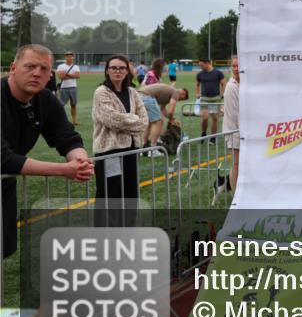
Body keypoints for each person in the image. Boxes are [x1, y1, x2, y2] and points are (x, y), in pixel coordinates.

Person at [2, 44, 93, 260]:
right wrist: (64, 170)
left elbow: (67, 138)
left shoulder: (45, 100)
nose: (37, 73)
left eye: (44, 69)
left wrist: (80, 162)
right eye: (30, 66)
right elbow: (3, 159)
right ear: (13, 68)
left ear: (50, 75)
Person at [92, 55, 148, 227]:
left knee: (130, 194)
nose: (118, 71)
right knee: (110, 195)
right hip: (110, 152)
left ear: (127, 71)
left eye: (122, 68)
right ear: (107, 71)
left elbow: (144, 121)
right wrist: (134, 119)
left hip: (131, 150)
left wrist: (128, 121)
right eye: (113, 68)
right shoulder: (101, 92)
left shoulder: (132, 92)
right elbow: (112, 120)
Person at [216, 55, 240, 203]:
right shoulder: (231, 86)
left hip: (243, 130)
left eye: (238, 66)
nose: (236, 69)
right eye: (234, 66)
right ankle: (236, 198)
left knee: (241, 164)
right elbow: (235, 114)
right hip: (234, 130)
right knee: (236, 164)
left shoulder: (244, 84)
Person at [139, 82, 189, 147]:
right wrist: (171, 120)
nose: (178, 100)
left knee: (150, 122)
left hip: (139, 95)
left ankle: (145, 145)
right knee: (159, 121)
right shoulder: (176, 92)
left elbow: (162, 109)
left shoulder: (168, 94)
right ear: (183, 93)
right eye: (181, 99)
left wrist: (172, 119)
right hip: (146, 96)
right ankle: (153, 147)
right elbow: (171, 111)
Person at [195, 58, 226, 138]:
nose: (200, 67)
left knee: (215, 119)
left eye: (201, 65)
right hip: (204, 99)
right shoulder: (200, 74)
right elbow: (197, 85)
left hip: (215, 99)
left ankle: (213, 137)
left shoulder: (218, 73)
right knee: (205, 118)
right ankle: (203, 133)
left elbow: (223, 84)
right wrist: (197, 93)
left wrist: (222, 94)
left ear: (207, 63)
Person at [55, 51, 82, 125]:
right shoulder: (61, 66)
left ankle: (74, 121)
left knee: (73, 104)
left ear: (73, 57)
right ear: (65, 57)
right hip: (64, 88)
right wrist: (73, 75)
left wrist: (67, 74)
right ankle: (60, 120)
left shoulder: (76, 66)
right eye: (68, 56)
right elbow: (61, 77)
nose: (69, 57)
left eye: (71, 56)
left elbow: (78, 76)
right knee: (61, 105)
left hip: (73, 87)